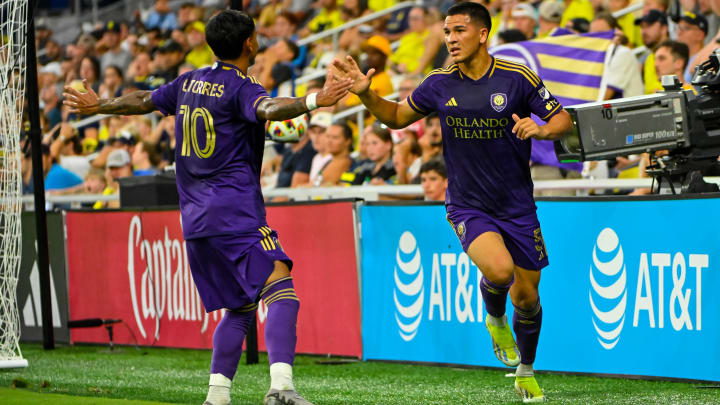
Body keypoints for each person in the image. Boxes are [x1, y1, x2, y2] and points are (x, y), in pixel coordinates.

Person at [63, 10, 353, 405]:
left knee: (240, 307)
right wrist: (316, 98)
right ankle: (282, 389)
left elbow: (145, 100)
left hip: (196, 221)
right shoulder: (241, 87)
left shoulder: (190, 80)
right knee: (282, 288)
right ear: (250, 42)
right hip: (236, 213)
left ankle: (217, 397)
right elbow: (267, 110)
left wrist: (100, 107)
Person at [331, 2, 573, 402]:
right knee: (499, 272)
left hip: (517, 205)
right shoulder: (438, 83)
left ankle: (525, 370)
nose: (451, 39)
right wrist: (366, 94)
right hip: (467, 203)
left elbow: (562, 117)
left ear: (482, 34)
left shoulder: (517, 78)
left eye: (459, 30)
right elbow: (394, 116)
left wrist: (542, 128)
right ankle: (495, 318)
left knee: (528, 298)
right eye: (447, 32)